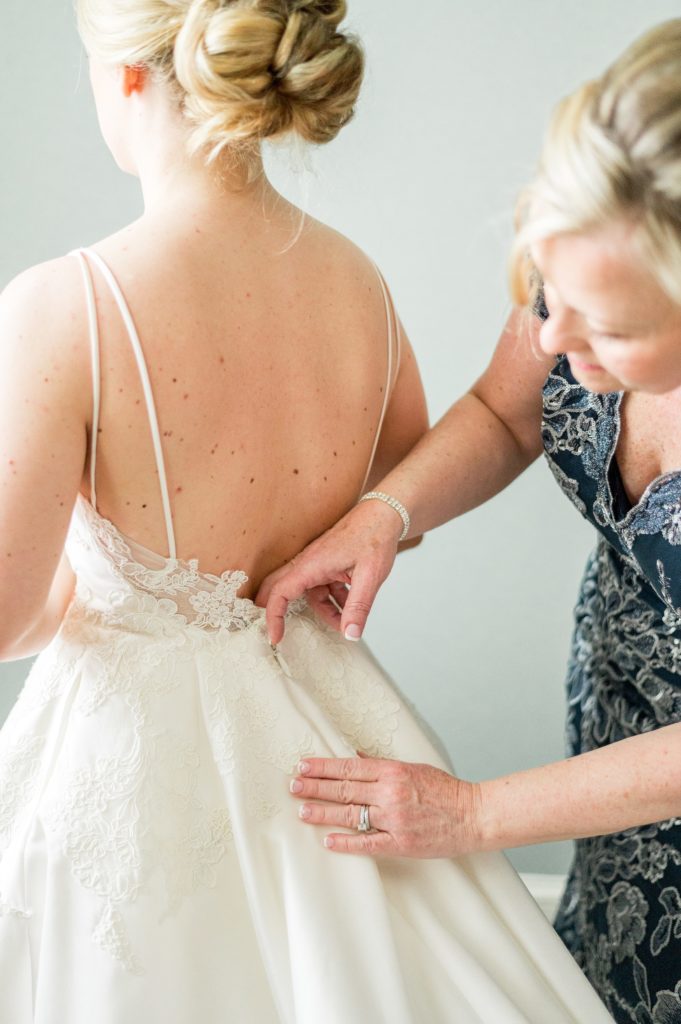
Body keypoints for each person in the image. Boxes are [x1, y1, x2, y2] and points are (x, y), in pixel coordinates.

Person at [0, 1, 614, 1022]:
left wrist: (106, 569)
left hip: (136, 760)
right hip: (326, 737)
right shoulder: (357, 286)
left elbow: (10, 617)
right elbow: (375, 510)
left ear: (130, 79)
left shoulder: (67, 306)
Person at [259, 16, 681, 1024]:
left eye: (611, 328)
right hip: (616, 735)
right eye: (549, 303)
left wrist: (476, 812)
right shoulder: (589, 261)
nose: (561, 343)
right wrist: (386, 509)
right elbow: (504, 410)